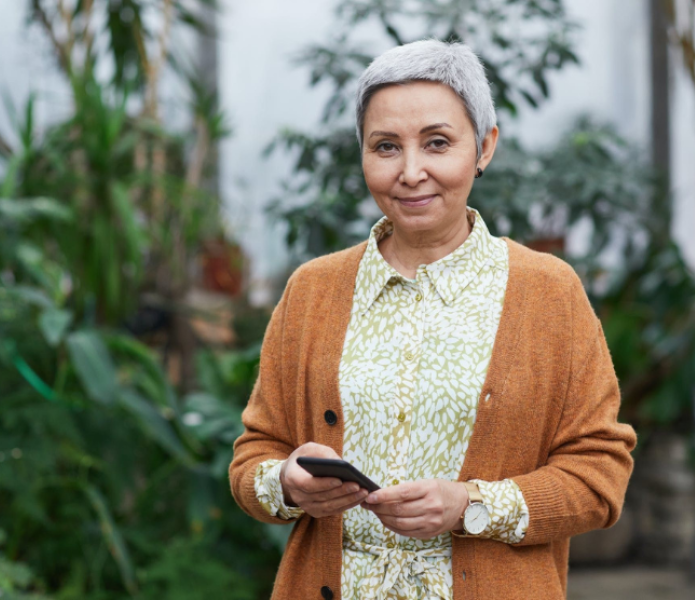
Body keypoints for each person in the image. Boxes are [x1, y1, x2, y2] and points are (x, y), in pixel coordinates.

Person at [229, 39, 636, 600]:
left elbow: (601, 476)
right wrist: (287, 484)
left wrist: (470, 504)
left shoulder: (547, 293)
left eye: (438, 143)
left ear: (485, 147)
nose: (411, 171)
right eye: (386, 146)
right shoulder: (313, 290)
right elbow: (254, 455)